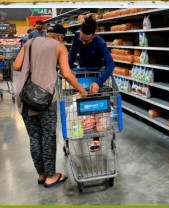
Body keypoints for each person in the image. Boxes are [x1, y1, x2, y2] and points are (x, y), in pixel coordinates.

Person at [13, 24, 88, 188]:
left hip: (24, 96)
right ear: (61, 36)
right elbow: (66, 73)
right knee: (48, 137)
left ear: (48, 33)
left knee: (34, 137)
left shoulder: (29, 43)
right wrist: (82, 90)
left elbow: (16, 66)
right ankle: (51, 176)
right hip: (44, 99)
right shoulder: (60, 47)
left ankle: (41, 174)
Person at [68, 14, 115, 152]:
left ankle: (96, 139)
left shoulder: (100, 42)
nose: (83, 42)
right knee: (79, 106)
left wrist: (99, 81)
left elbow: (110, 65)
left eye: (87, 41)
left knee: (96, 108)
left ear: (94, 35)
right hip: (82, 75)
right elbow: (72, 54)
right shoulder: (77, 36)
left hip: (95, 76)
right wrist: (68, 69)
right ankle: (80, 129)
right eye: (82, 38)